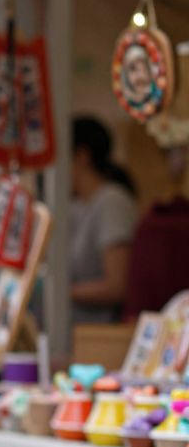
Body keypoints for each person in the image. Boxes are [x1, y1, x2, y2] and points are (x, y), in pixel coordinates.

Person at [69, 116, 138, 325]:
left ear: (81, 156)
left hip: (98, 337)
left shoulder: (112, 202)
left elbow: (116, 285)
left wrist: (61, 292)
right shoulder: (76, 206)